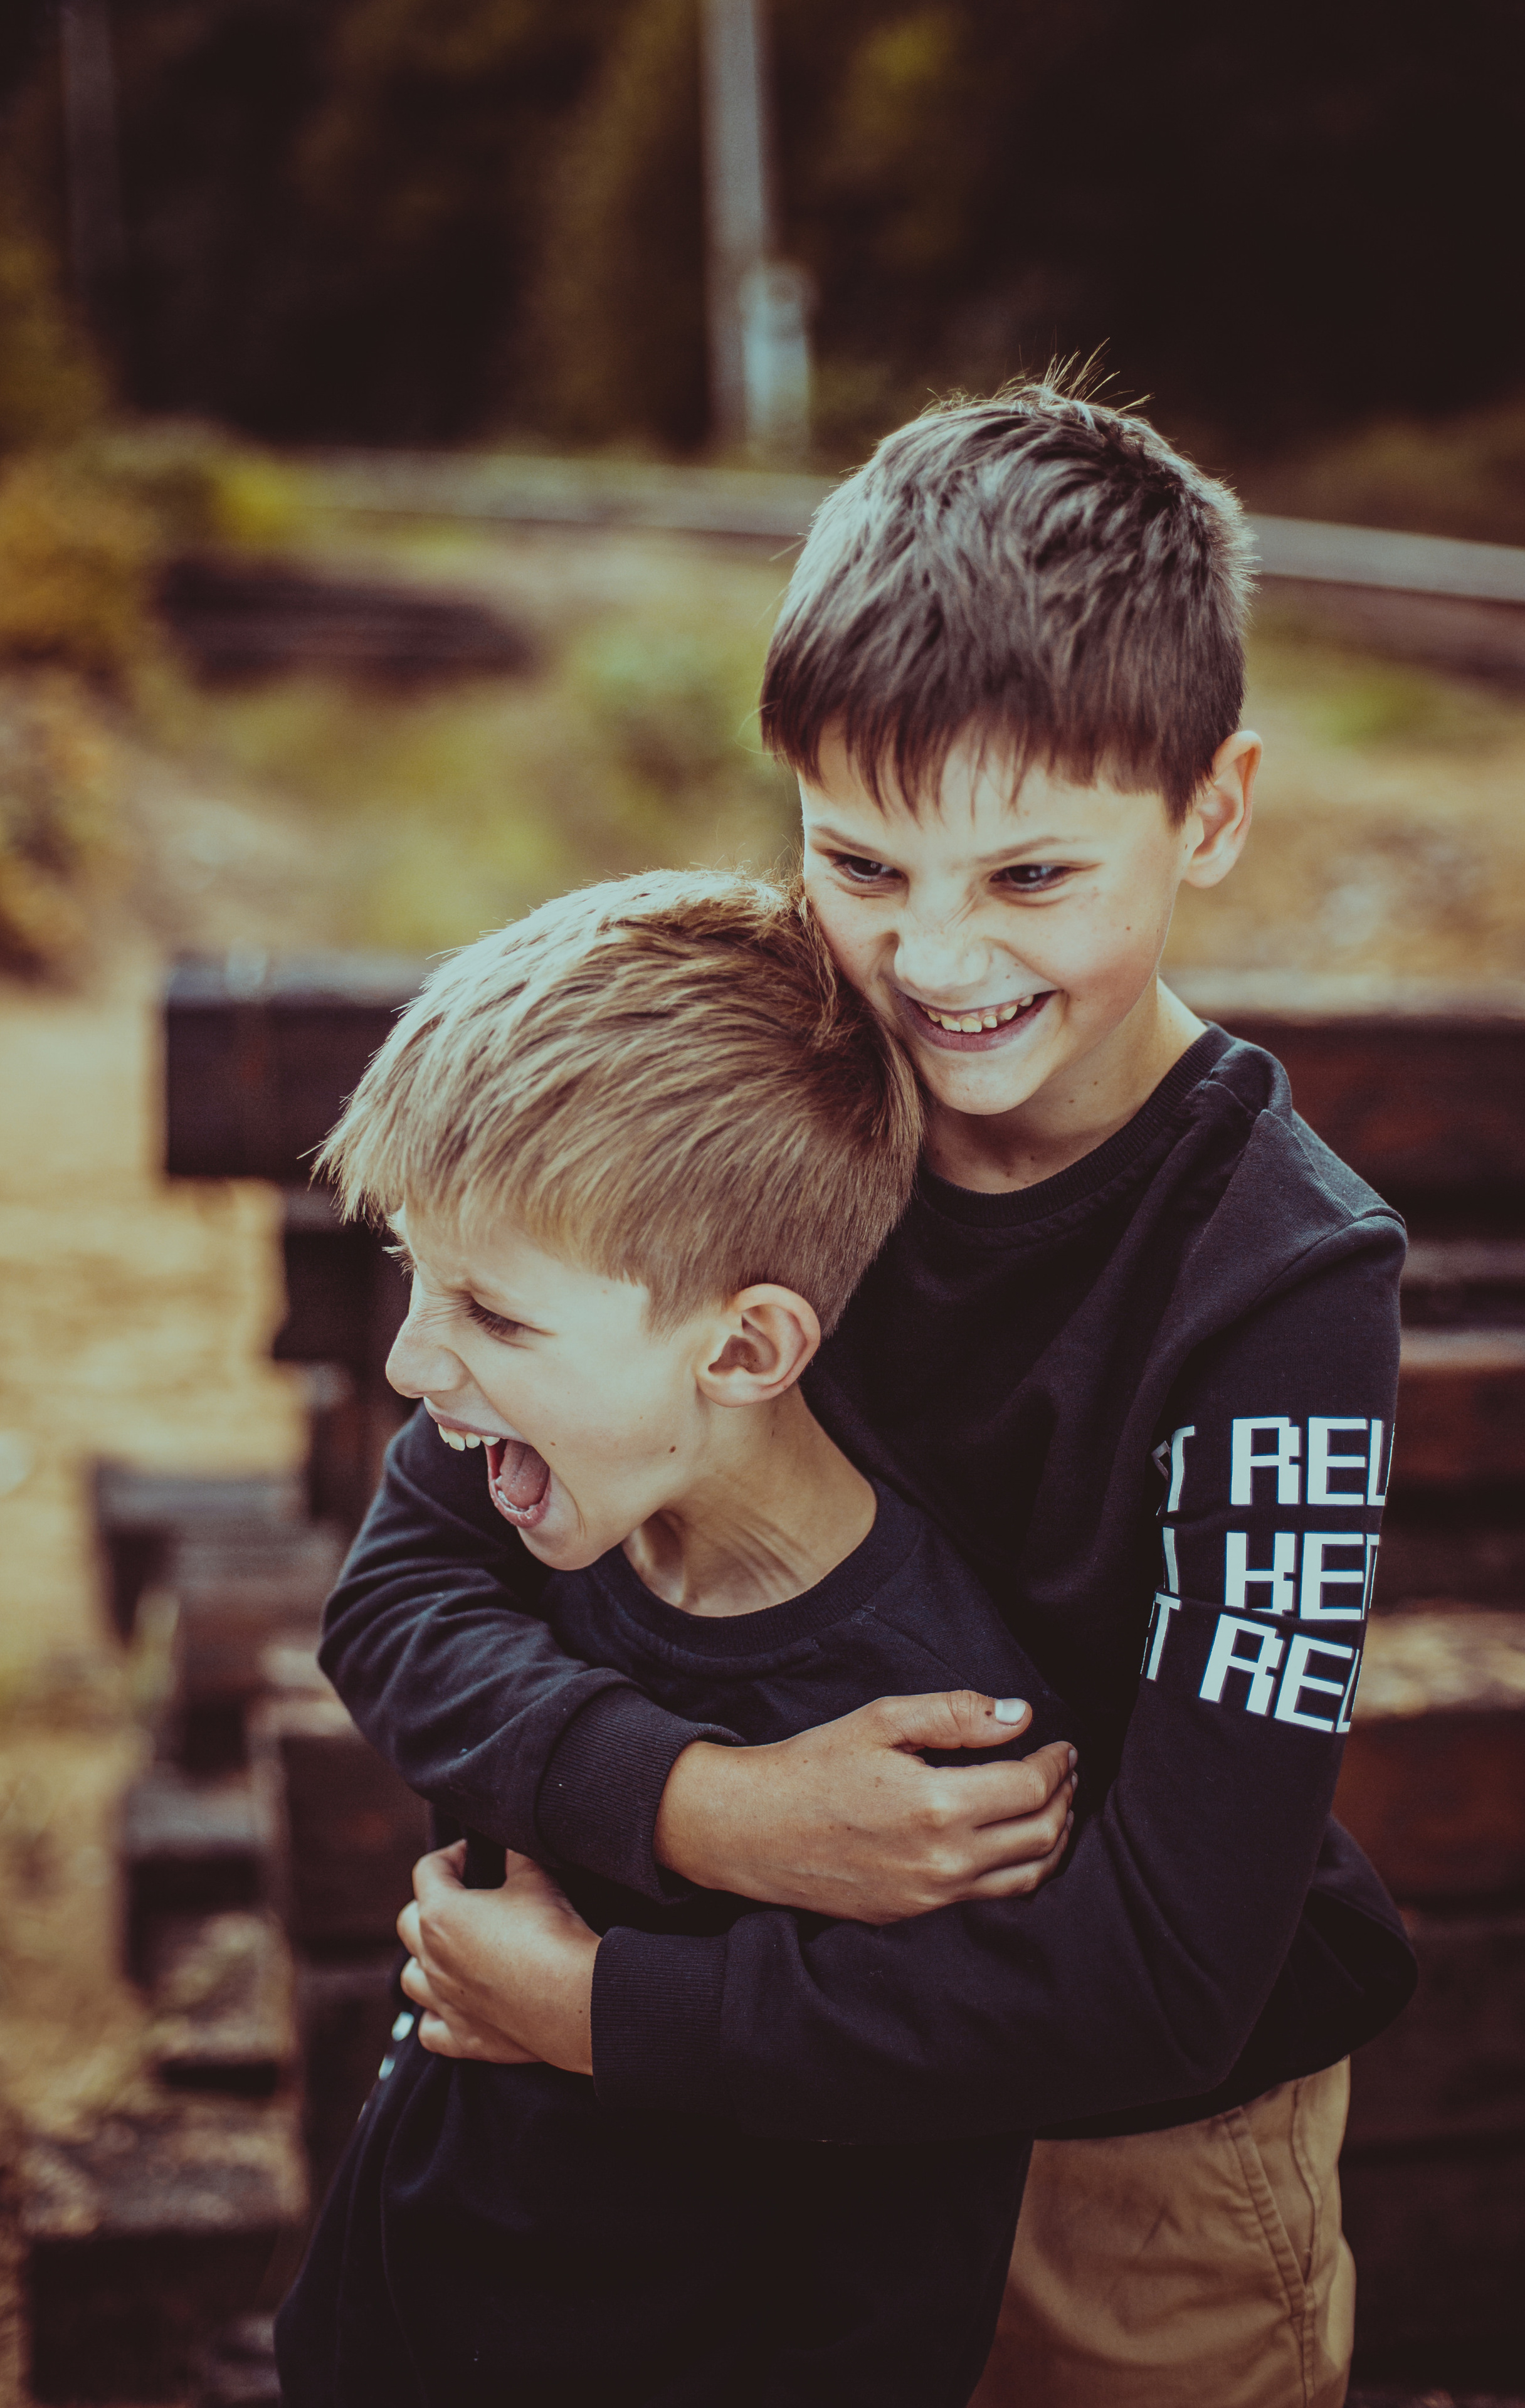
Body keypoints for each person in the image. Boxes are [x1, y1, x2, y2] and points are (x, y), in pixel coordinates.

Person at [319, 380, 1417, 2408]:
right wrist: (705, 1811)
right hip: (736, 2166)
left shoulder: (1280, 1287)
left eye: (1031, 880)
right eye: (859, 859)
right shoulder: (772, 1108)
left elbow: (1171, 1982)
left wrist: (614, 2015)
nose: (930, 963)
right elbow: (402, 1590)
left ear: (1216, 811)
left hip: (1123, 2183)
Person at [274, 868, 1082, 2408]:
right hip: (392, 2316)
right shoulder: (530, 1477)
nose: (407, 1358)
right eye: (413, 1274)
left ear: (745, 1345)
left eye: (496, 1317)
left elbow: (896, 2245)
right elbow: (383, 1612)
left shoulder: (933, 1749)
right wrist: (691, 1803)